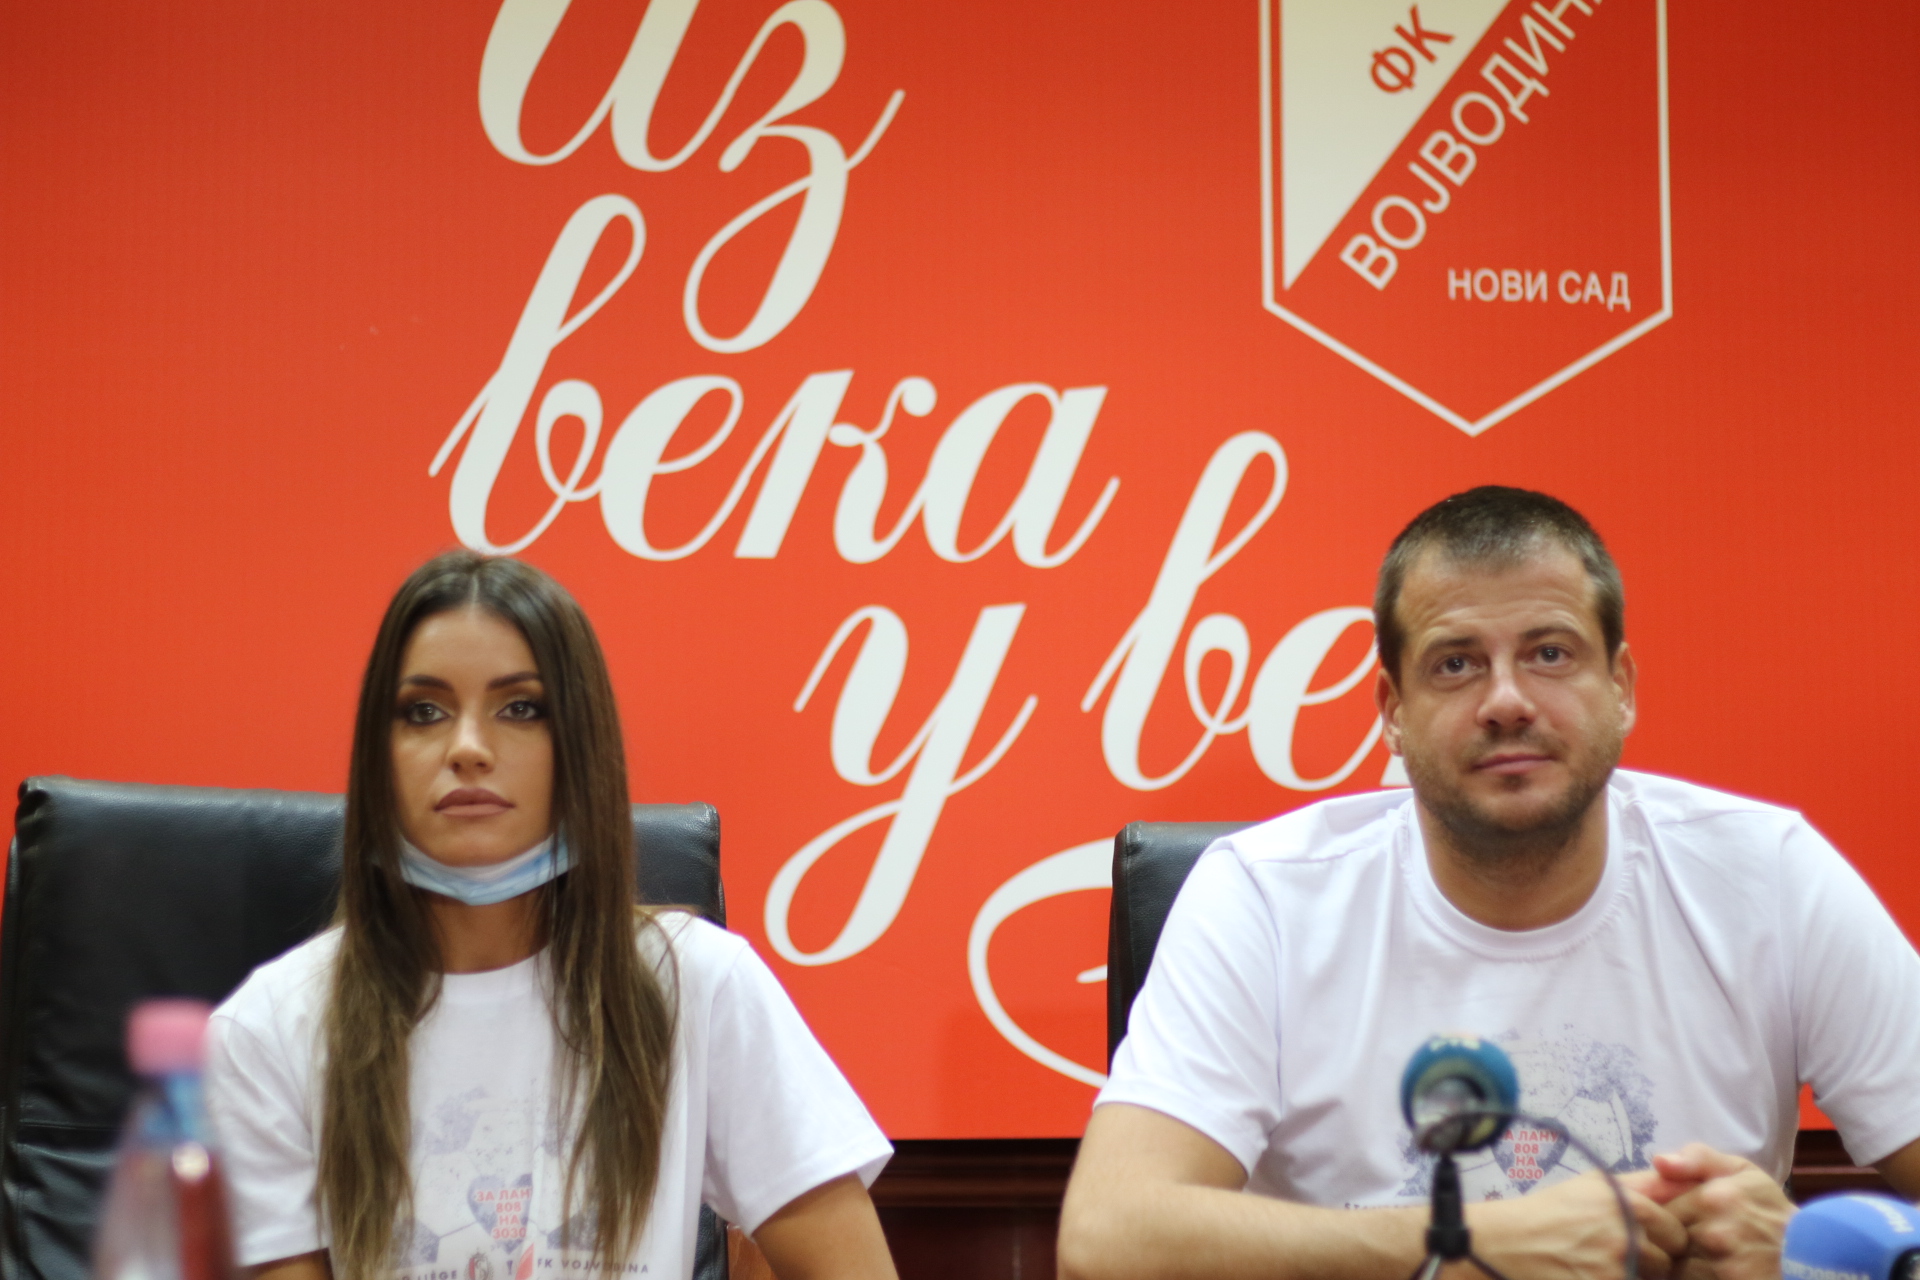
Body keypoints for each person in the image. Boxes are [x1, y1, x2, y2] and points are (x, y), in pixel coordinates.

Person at [1060, 487, 1920, 1280]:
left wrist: (1804, 1260)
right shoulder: (1266, 899)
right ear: (1393, 711)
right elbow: (1105, 1242)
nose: (1508, 701)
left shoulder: (1768, 876)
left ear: (1620, 687)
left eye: (1550, 653)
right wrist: (1463, 1244)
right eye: (1456, 664)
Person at [204, 551, 897, 1280]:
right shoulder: (266, 1031)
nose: (468, 748)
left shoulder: (700, 984)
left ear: (582, 749)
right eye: (424, 712)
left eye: (521, 708)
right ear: (377, 756)